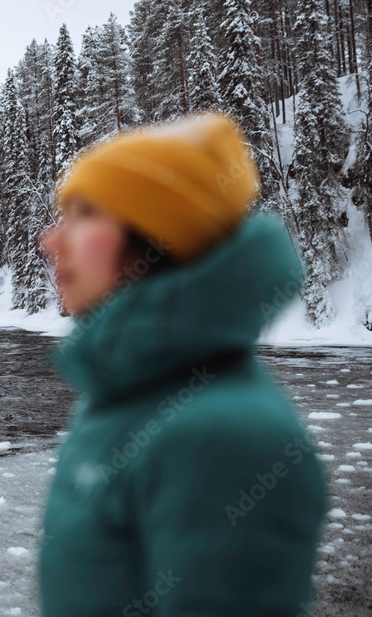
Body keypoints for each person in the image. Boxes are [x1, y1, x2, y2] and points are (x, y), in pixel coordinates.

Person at [35, 112, 327, 616]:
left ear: (154, 235)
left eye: (83, 214)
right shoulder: (133, 393)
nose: (51, 241)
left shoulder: (222, 437)